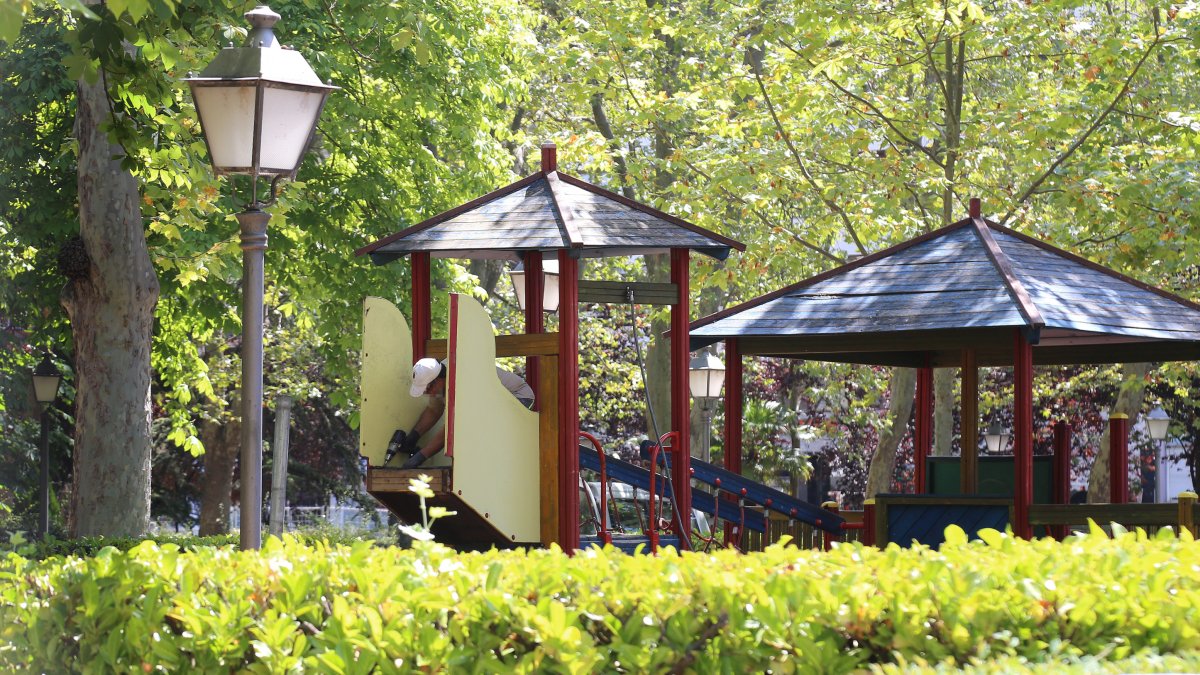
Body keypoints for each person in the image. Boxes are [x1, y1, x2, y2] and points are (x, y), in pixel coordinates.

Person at [398, 357, 534, 469]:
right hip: (493, 401)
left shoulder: (461, 382)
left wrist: (420, 457)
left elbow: (452, 429)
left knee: (475, 426)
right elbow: (434, 410)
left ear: (438, 380)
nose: (427, 393)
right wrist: (414, 436)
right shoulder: (441, 377)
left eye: (428, 389)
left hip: (519, 398)